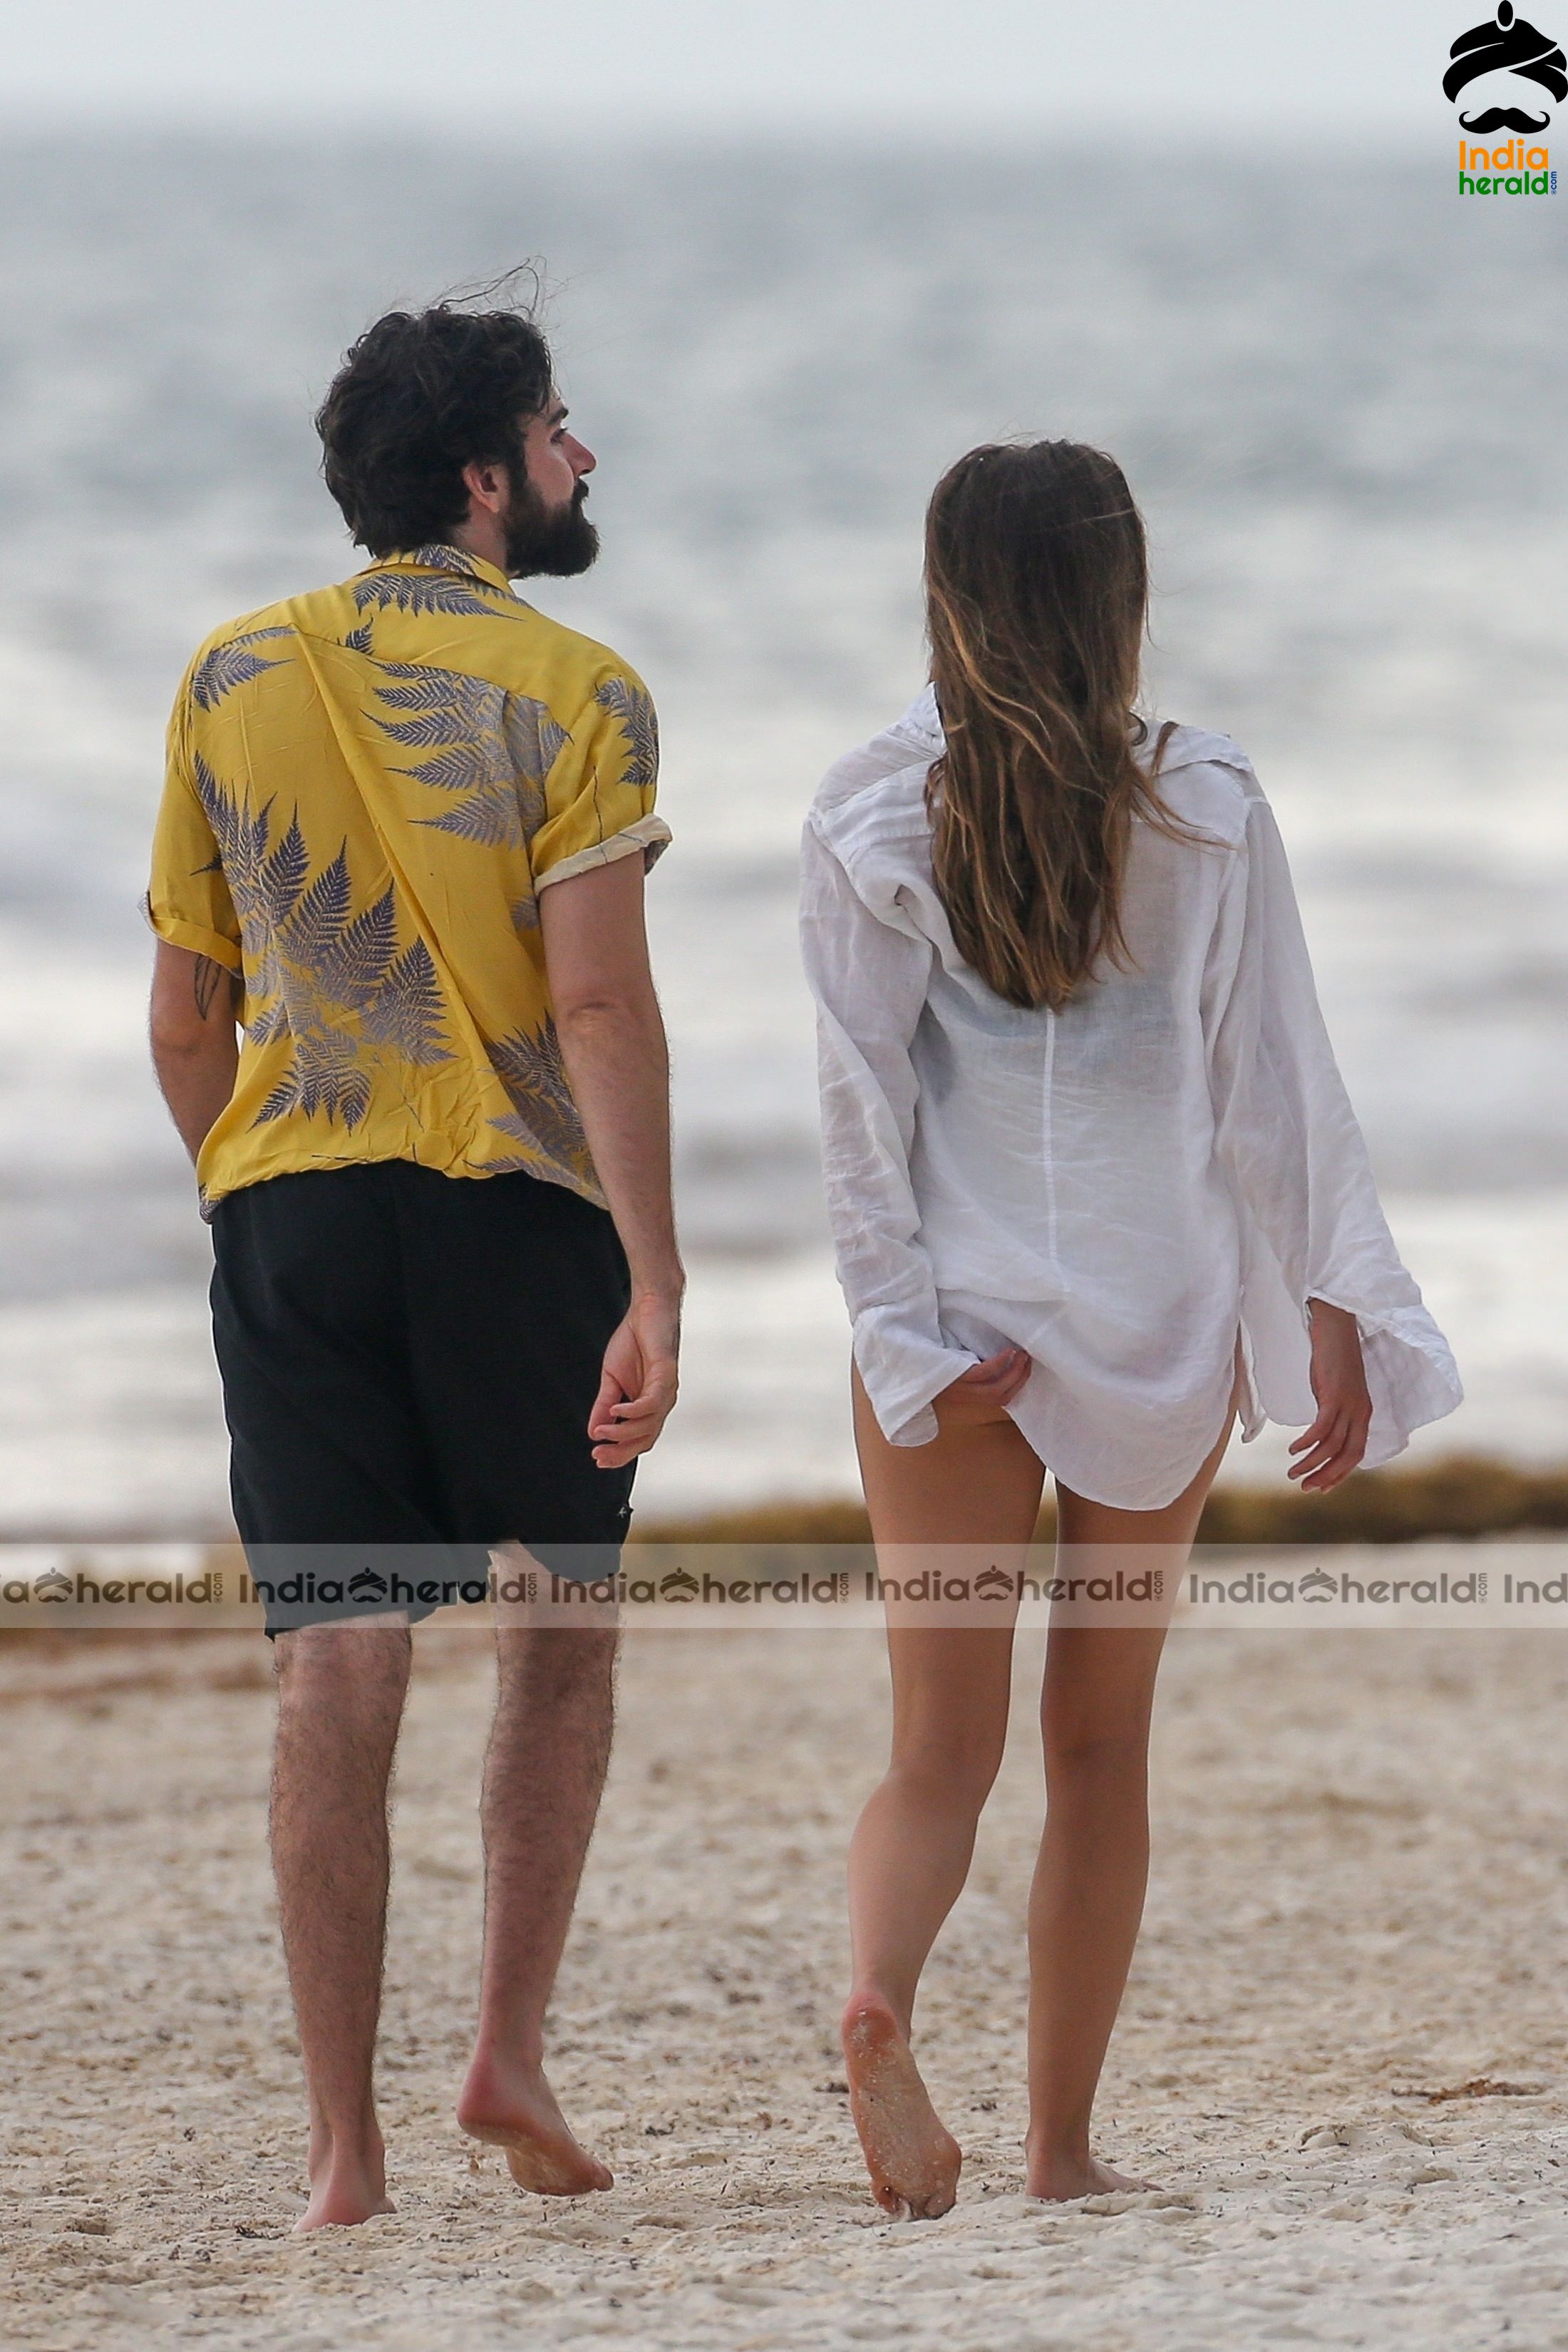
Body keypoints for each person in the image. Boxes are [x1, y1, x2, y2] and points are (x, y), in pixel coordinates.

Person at [800, 440, 1461, 2219]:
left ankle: (876, 1990)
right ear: (1120, 595)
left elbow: (854, 1114)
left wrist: (905, 1333)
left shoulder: (870, 811)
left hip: (960, 1338)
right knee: (1099, 1742)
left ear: (944, 594)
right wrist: (1338, 1308)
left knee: (937, 1747)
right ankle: (1060, 2150)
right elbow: (1275, 1082)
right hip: (1152, 1334)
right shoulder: (1205, 804)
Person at [145, 298, 683, 2232]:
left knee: (336, 1657)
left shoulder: (225, 675)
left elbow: (187, 1015)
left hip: (291, 1200)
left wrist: (250, 1199)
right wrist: (658, 1273)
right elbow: (600, 1008)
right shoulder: (581, 687)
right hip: (516, 1205)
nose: (581, 455)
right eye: (557, 430)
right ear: (483, 476)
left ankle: (340, 2158)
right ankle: (507, 2048)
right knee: (560, 1618)